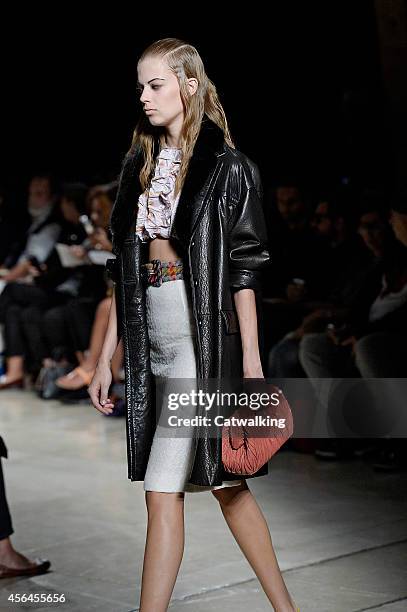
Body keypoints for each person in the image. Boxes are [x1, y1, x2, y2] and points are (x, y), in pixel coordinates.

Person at [88, 38, 299, 611]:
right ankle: (288, 609)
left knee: (163, 492)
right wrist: (106, 356)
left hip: (198, 346)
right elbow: (122, 271)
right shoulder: (139, 164)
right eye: (139, 86)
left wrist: (252, 371)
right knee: (228, 485)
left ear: (187, 85)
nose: (144, 96)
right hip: (151, 335)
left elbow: (244, 271)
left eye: (155, 84)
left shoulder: (228, 168)